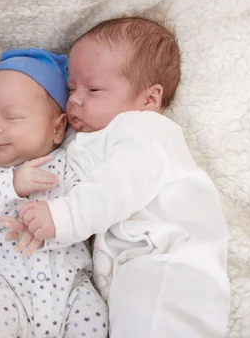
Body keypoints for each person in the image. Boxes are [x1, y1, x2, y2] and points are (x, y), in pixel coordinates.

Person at [18, 18, 231, 337]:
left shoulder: (145, 131)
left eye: (93, 89)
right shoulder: (96, 139)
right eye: (72, 87)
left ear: (149, 99)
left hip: (170, 263)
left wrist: (65, 216)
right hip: (133, 269)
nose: (75, 99)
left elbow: (118, 185)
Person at [0, 48, 108, 338]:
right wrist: (12, 185)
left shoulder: (70, 166)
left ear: (57, 129)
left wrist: (59, 220)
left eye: (12, 117)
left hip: (71, 290)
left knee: (93, 317)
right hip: (7, 291)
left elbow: (90, 211)